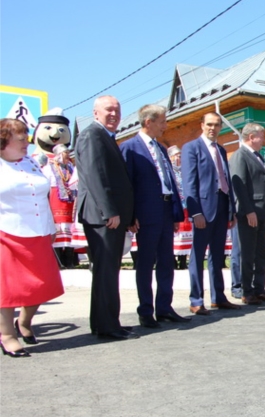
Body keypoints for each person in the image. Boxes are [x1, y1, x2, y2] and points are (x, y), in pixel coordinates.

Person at [75, 96, 138, 340]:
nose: (114, 114)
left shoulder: (106, 137)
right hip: (102, 216)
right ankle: (106, 325)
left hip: (112, 215)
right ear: (95, 113)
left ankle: (109, 321)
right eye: (108, 109)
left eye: (117, 110)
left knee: (110, 271)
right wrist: (108, 211)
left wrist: (128, 216)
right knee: (105, 271)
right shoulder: (92, 135)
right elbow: (94, 175)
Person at [120, 105, 189, 327]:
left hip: (166, 211)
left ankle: (165, 308)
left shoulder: (160, 148)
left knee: (166, 262)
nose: (165, 126)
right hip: (146, 214)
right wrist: (131, 215)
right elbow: (126, 185)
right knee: (146, 263)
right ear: (148, 122)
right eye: (162, 121)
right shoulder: (130, 148)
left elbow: (169, 181)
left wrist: (176, 213)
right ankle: (146, 310)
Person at [0, 118, 64, 356]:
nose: (26, 142)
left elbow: (43, 196)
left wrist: (51, 227)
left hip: (37, 232)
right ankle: (7, 335)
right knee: (7, 289)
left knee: (41, 283)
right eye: (20, 138)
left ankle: (24, 323)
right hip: (6, 232)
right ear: (4, 141)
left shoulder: (31, 162)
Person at [182, 112, 241, 314]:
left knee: (218, 255)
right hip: (203, 211)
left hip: (223, 208)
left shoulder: (222, 150)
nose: (212, 128)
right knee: (198, 256)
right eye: (209, 124)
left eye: (216, 125)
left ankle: (218, 297)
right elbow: (189, 183)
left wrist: (232, 210)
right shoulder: (191, 148)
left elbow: (226, 180)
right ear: (202, 125)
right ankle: (196, 300)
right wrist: (195, 212)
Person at [228, 123, 265, 305]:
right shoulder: (240, 156)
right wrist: (248, 210)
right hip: (250, 213)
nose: (264, 140)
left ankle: (259, 289)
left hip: (262, 212)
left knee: (260, 254)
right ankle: (246, 291)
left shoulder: (257, 156)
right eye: (261, 136)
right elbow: (239, 187)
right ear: (251, 137)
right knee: (247, 254)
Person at [42, 144, 79, 268]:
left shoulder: (70, 167)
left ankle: (69, 261)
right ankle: (58, 262)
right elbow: (44, 187)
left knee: (69, 229)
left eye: (68, 153)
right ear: (58, 155)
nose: (68, 155)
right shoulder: (48, 168)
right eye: (65, 153)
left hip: (70, 202)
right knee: (59, 229)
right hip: (55, 201)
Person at [167, 145, 191, 270]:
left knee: (186, 234)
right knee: (174, 234)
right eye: (177, 155)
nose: (179, 158)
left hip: (185, 207)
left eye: (180, 156)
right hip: (174, 206)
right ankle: (172, 261)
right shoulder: (167, 170)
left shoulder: (184, 171)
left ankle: (183, 261)